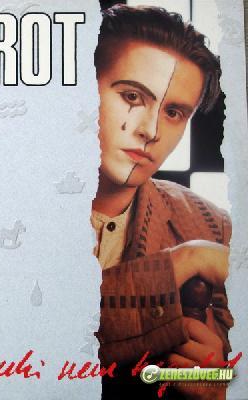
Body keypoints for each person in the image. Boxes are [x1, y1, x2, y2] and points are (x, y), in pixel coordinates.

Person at [91, 5, 233, 399]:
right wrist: (178, 265)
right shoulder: (0, 206)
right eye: (132, 96)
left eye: (173, 112)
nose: (151, 130)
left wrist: (219, 391)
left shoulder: (212, 226)